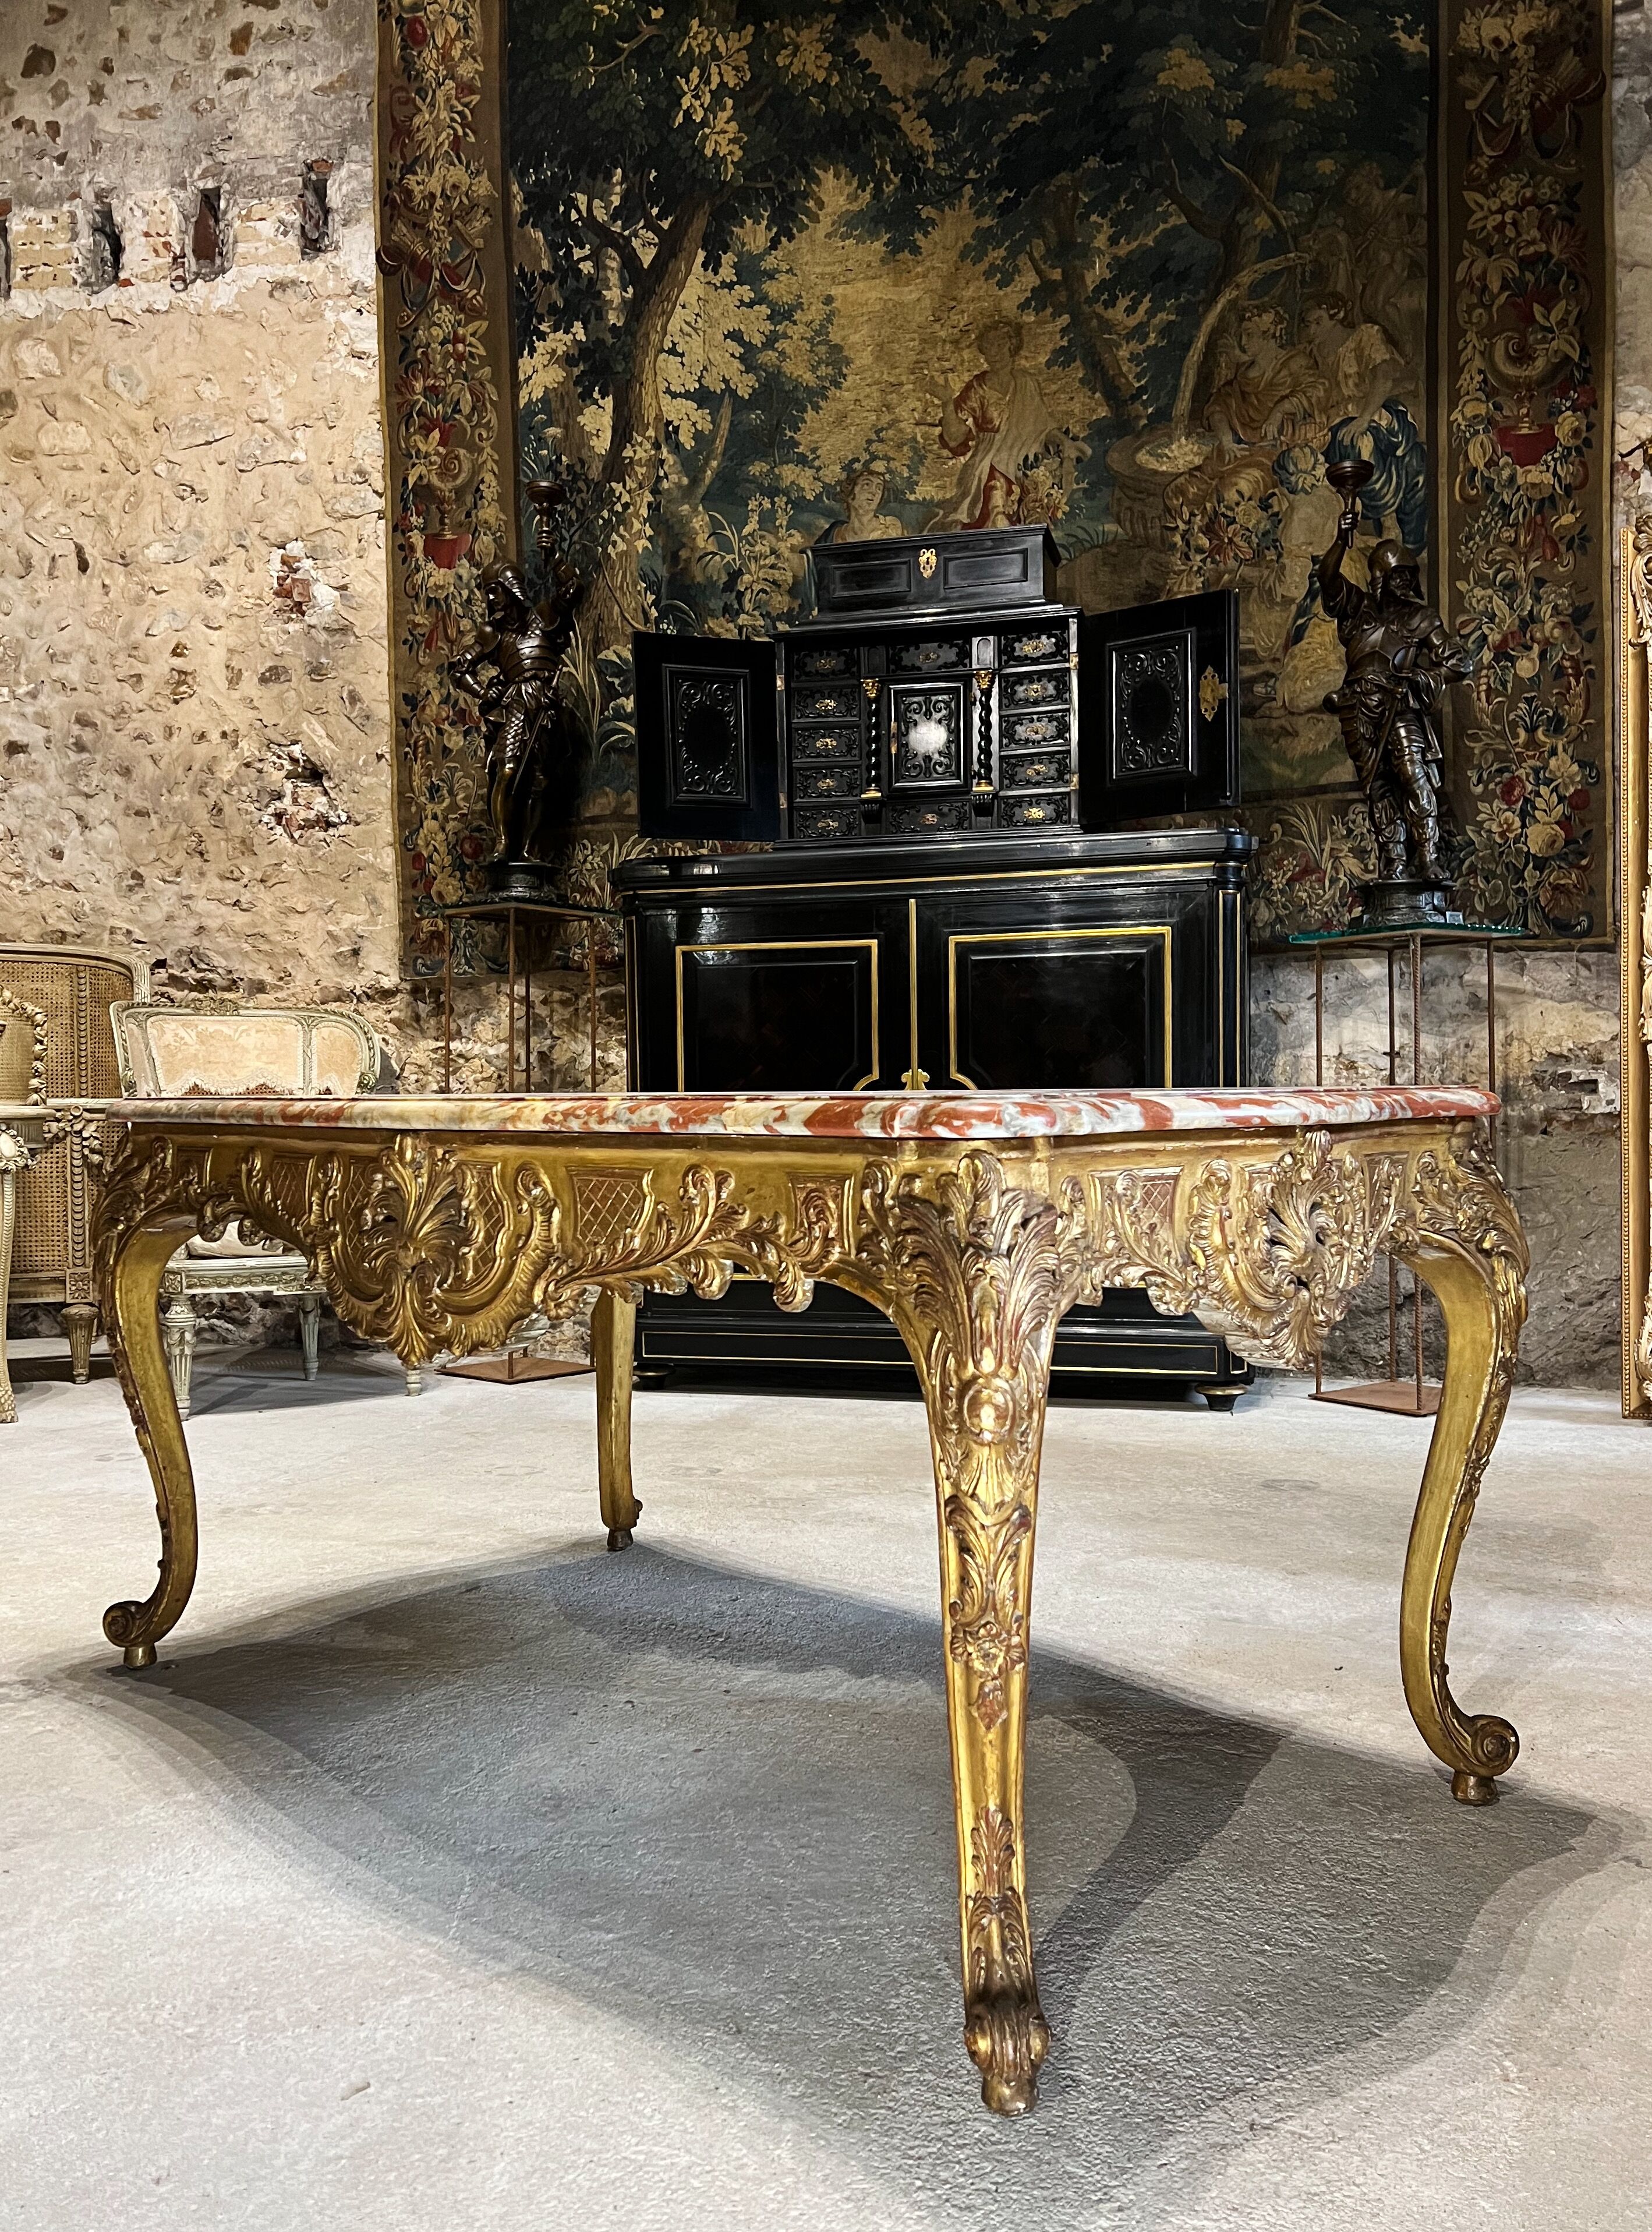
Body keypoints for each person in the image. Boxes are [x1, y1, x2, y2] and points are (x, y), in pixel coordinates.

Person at [1318, 489, 1473, 886]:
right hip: (1356, 708)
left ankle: (1429, 859)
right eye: (1396, 575)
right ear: (1378, 579)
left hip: (1399, 706)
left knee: (1413, 777)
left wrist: (1421, 679)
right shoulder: (1358, 609)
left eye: (1408, 575)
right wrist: (1341, 539)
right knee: (1377, 788)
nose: (1403, 582)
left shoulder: (1420, 618)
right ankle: (1394, 863)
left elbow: (1459, 662)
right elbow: (1328, 578)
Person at [927, 317, 1077, 530]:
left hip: (1023, 459)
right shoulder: (977, 388)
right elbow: (955, 437)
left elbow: (1043, 428)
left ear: (1012, 346)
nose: (994, 352)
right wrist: (946, 403)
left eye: (999, 344)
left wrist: (1064, 441)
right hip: (986, 461)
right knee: (992, 488)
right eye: (988, 346)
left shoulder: (1026, 383)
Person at [820, 464, 904, 544]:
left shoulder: (889, 528)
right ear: (851, 492)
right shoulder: (834, 534)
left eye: (879, 488)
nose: (874, 492)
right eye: (867, 485)